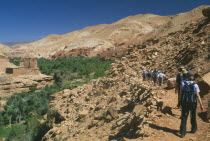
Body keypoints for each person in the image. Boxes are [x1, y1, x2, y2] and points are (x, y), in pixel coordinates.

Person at [179, 71, 204, 138]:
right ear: (193, 77)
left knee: (184, 116)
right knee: (193, 115)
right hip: (193, 102)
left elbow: (181, 93)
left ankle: (183, 132)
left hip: (185, 102)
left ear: (187, 76)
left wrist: (179, 101)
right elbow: (198, 95)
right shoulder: (195, 85)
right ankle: (193, 129)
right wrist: (201, 105)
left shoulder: (183, 83)